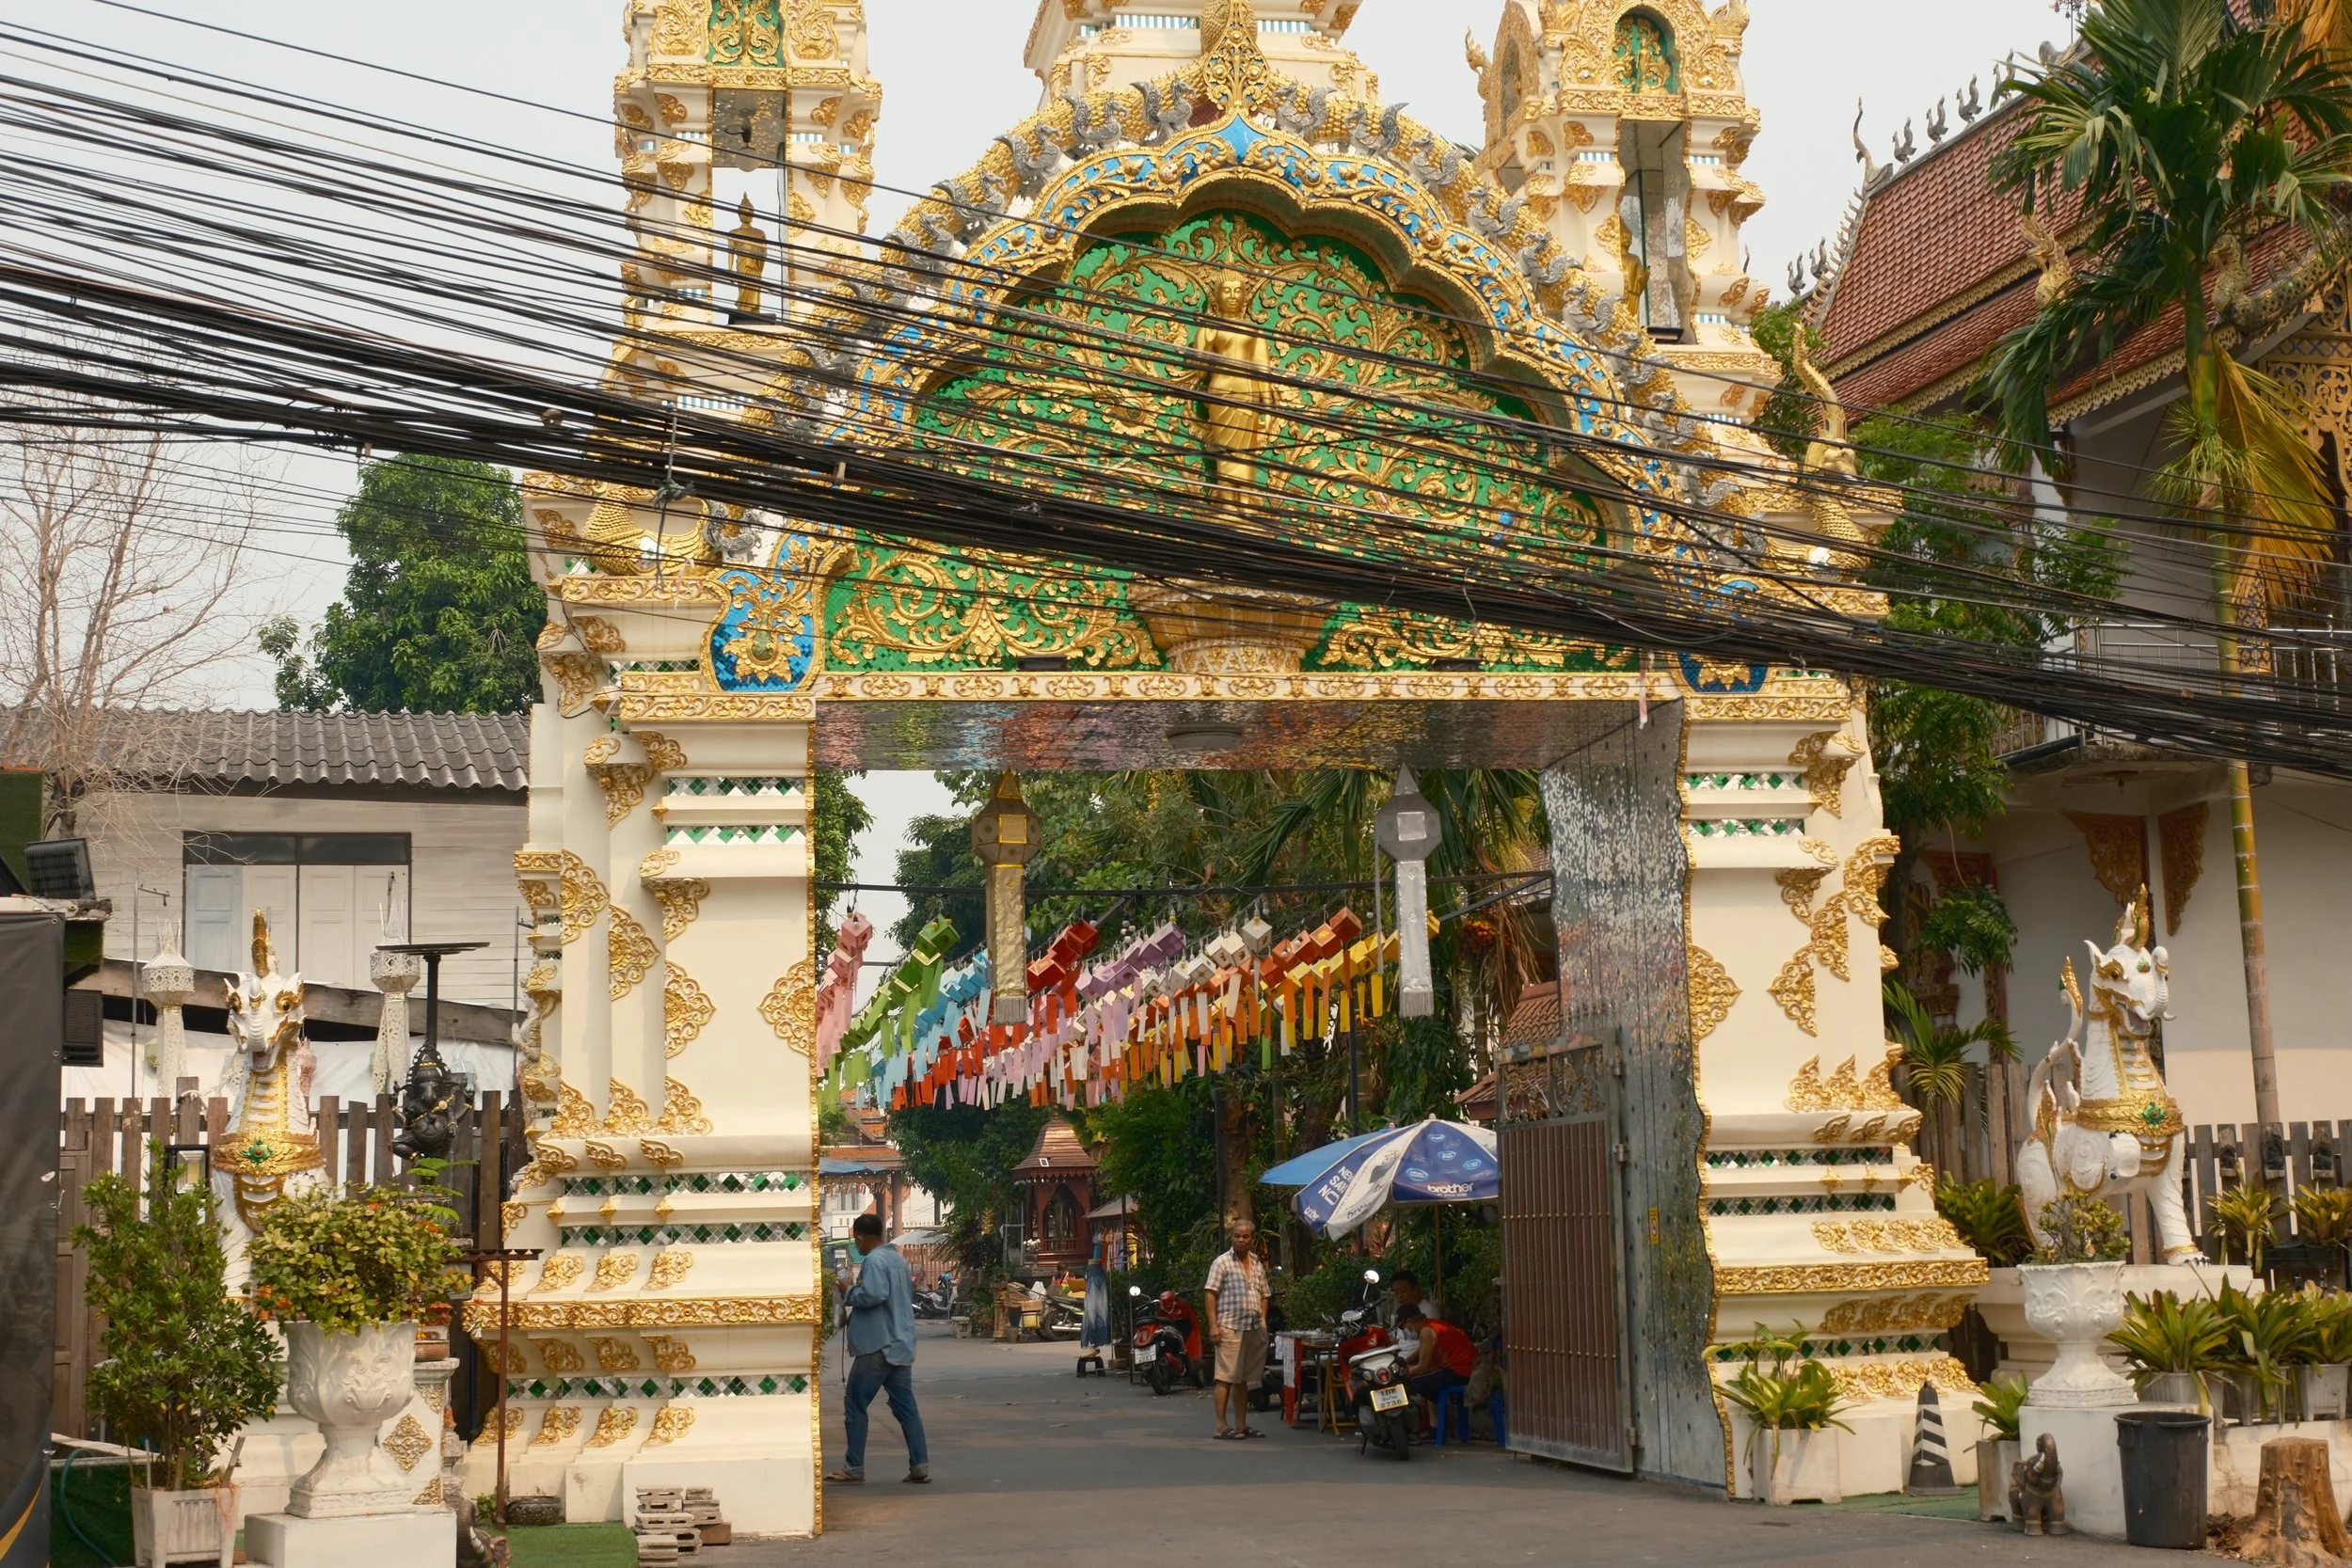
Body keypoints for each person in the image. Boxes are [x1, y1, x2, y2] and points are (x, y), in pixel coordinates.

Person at [827, 1212, 930, 1485]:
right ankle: (920, 1465)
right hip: (901, 1342)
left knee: (855, 1404)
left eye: (855, 1239)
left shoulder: (873, 1261)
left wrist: (849, 1290)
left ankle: (854, 1466)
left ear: (860, 1237)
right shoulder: (897, 1259)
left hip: (878, 1345)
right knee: (906, 1408)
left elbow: (874, 1294)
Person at [1202, 1217, 1269, 1440]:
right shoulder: (1222, 1262)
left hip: (1251, 1328)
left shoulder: (1257, 1263)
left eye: (1245, 1236)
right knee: (1225, 1377)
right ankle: (1221, 1425)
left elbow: (1264, 1294)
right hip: (1229, 1327)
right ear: (1232, 1238)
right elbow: (1210, 1293)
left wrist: (1263, 1321)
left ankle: (1241, 1425)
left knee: (1242, 1379)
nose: (1240, 1240)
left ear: (1252, 1239)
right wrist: (1214, 1326)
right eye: (1236, 1236)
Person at [1396, 1305, 1474, 1436]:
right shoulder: (1433, 1325)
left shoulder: (1426, 1331)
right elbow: (1422, 1350)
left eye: (1403, 1327)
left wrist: (1404, 1373)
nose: (1405, 1330)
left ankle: (1410, 1428)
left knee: (1412, 1382)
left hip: (1459, 1370)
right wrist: (1405, 1362)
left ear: (1409, 1321)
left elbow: (1423, 1367)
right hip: (1465, 1368)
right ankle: (1435, 1426)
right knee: (1427, 1381)